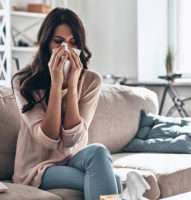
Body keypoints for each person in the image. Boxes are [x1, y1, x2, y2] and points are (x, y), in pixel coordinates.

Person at [11, 7, 121, 200]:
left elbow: (71, 140)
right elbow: (49, 138)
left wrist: (71, 83)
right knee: (114, 181)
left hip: (72, 159)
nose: (66, 50)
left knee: (99, 152)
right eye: (58, 42)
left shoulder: (91, 81)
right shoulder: (23, 81)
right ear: (46, 43)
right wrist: (55, 82)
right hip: (38, 167)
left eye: (73, 43)